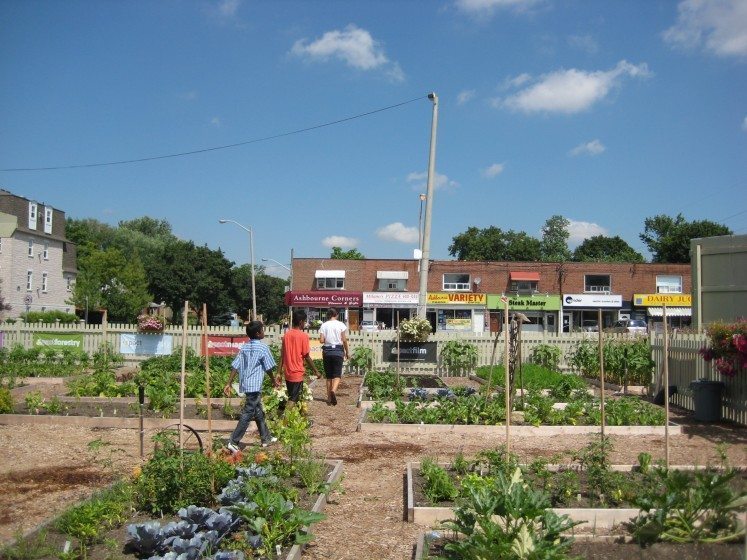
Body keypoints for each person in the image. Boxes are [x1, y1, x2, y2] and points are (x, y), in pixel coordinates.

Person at [223, 320, 277, 452]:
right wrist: (273, 380)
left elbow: (235, 366)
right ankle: (234, 441)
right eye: (263, 330)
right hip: (255, 386)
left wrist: (228, 383)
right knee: (248, 413)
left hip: (247, 385)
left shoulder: (244, 347)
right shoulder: (263, 348)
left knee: (258, 411)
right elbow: (268, 367)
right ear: (258, 333)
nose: (264, 332)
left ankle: (266, 438)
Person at [278, 310, 321, 413]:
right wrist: (316, 371)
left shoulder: (286, 335)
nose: (305, 324)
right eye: (304, 321)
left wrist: (278, 372)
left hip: (288, 371)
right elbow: (306, 356)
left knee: (296, 396)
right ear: (301, 322)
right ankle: (283, 421)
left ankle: (301, 418)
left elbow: (282, 356)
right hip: (296, 371)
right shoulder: (303, 336)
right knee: (293, 398)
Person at [318, 308, 349, 405]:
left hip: (327, 351)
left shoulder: (324, 325)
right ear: (336, 314)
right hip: (338, 351)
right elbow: (344, 340)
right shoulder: (341, 325)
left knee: (328, 376)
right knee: (337, 375)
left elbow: (321, 340)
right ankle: (333, 391)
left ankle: (328, 398)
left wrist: (328, 338)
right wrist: (347, 352)